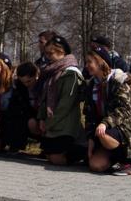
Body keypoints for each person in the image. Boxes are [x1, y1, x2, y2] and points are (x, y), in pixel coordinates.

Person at [82, 46, 131, 175]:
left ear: (100, 61)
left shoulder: (119, 81)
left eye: (89, 62)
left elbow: (125, 110)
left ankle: (129, 162)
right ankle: (113, 157)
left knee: (104, 134)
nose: (86, 65)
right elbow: (89, 115)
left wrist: (105, 123)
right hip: (107, 131)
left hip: (128, 128)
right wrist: (90, 137)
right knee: (96, 165)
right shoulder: (92, 85)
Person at [36, 35, 85, 166]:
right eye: (46, 53)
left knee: (57, 159)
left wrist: (49, 122)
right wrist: (41, 118)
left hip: (64, 123)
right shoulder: (51, 71)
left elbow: (65, 103)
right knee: (50, 157)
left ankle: (84, 150)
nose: (47, 56)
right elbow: (44, 97)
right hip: (51, 123)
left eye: (50, 53)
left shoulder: (71, 73)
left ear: (61, 52)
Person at [8, 61, 42, 153]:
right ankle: (16, 145)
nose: (27, 85)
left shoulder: (45, 86)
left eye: (29, 81)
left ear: (37, 74)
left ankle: (46, 146)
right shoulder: (20, 89)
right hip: (28, 116)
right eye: (23, 82)